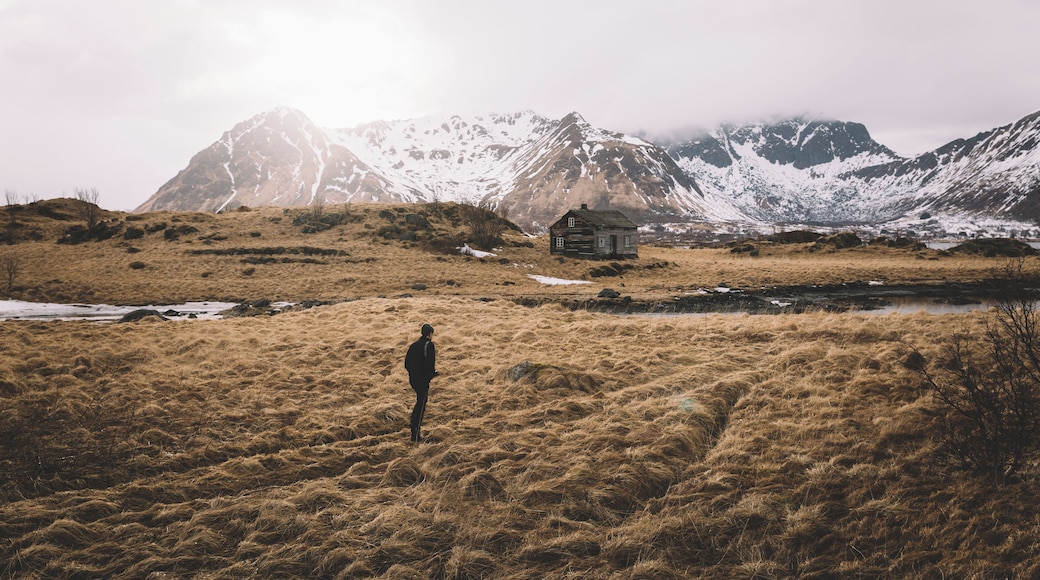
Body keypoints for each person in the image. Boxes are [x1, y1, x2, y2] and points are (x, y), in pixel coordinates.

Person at [404, 323, 438, 442]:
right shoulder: (429, 345)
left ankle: (414, 428)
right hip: (422, 380)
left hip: (413, 379)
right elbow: (430, 364)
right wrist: (431, 375)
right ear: (430, 334)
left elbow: (406, 364)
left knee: (420, 401)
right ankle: (415, 432)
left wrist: (413, 373)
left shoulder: (413, 346)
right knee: (421, 404)